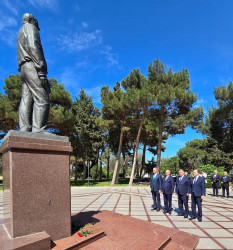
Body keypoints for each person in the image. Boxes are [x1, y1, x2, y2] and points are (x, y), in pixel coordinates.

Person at [17, 13, 50, 133]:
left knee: (26, 99)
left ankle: (24, 128)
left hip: (23, 68)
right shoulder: (31, 28)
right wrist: (41, 70)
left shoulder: (20, 31)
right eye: (35, 20)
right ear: (31, 20)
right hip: (32, 66)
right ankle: (38, 129)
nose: (37, 23)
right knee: (42, 99)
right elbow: (33, 46)